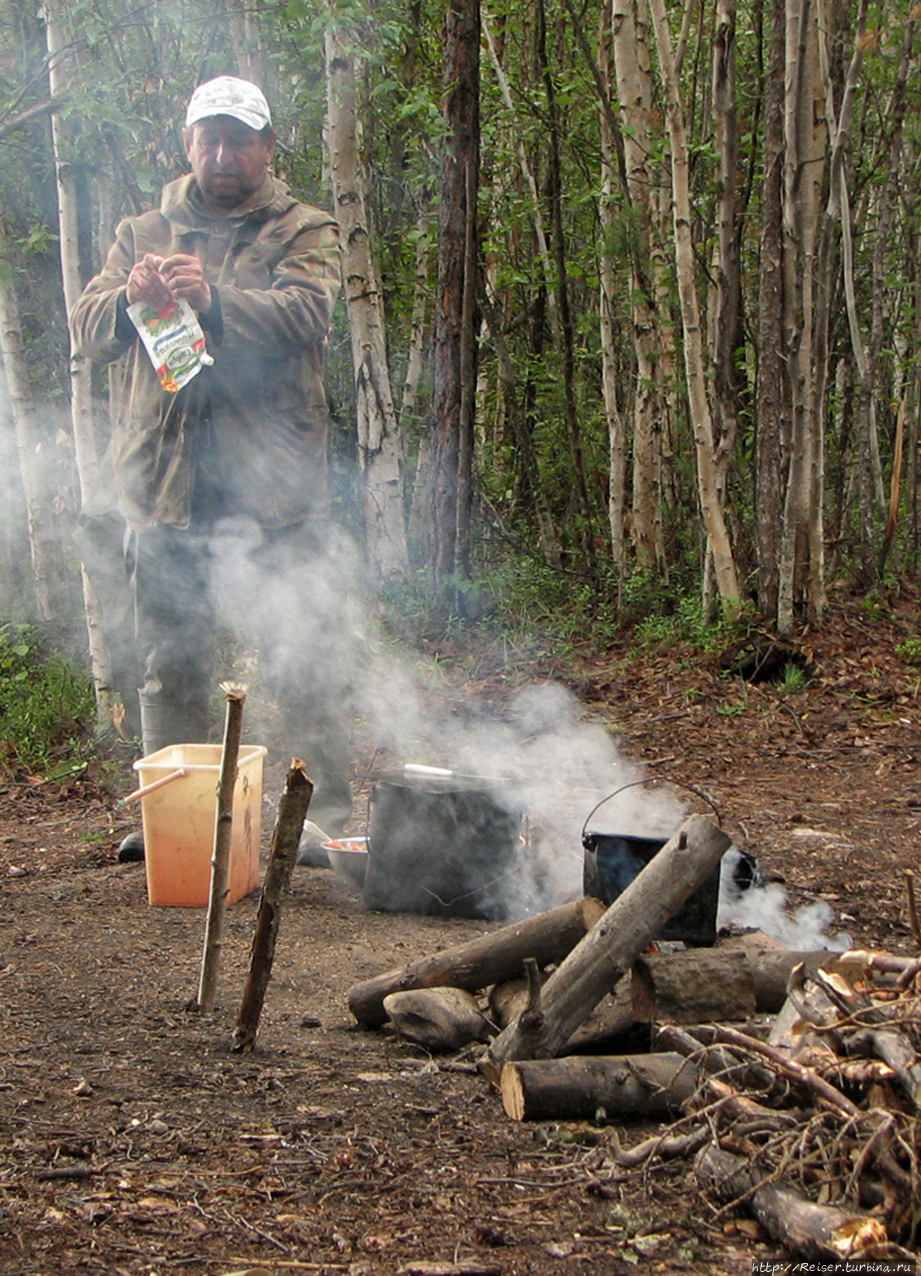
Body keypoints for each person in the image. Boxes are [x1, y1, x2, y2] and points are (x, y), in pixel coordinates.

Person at [71, 75, 353, 859]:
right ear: (187, 143)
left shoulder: (305, 227)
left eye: (239, 139)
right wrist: (129, 297)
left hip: (273, 486)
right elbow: (89, 330)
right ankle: (174, 824)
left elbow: (307, 312)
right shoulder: (143, 230)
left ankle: (316, 817)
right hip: (165, 484)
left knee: (301, 650)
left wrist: (218, 300)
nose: (222, 154)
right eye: (209, 138)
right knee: (168, 662)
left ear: (266, 147)